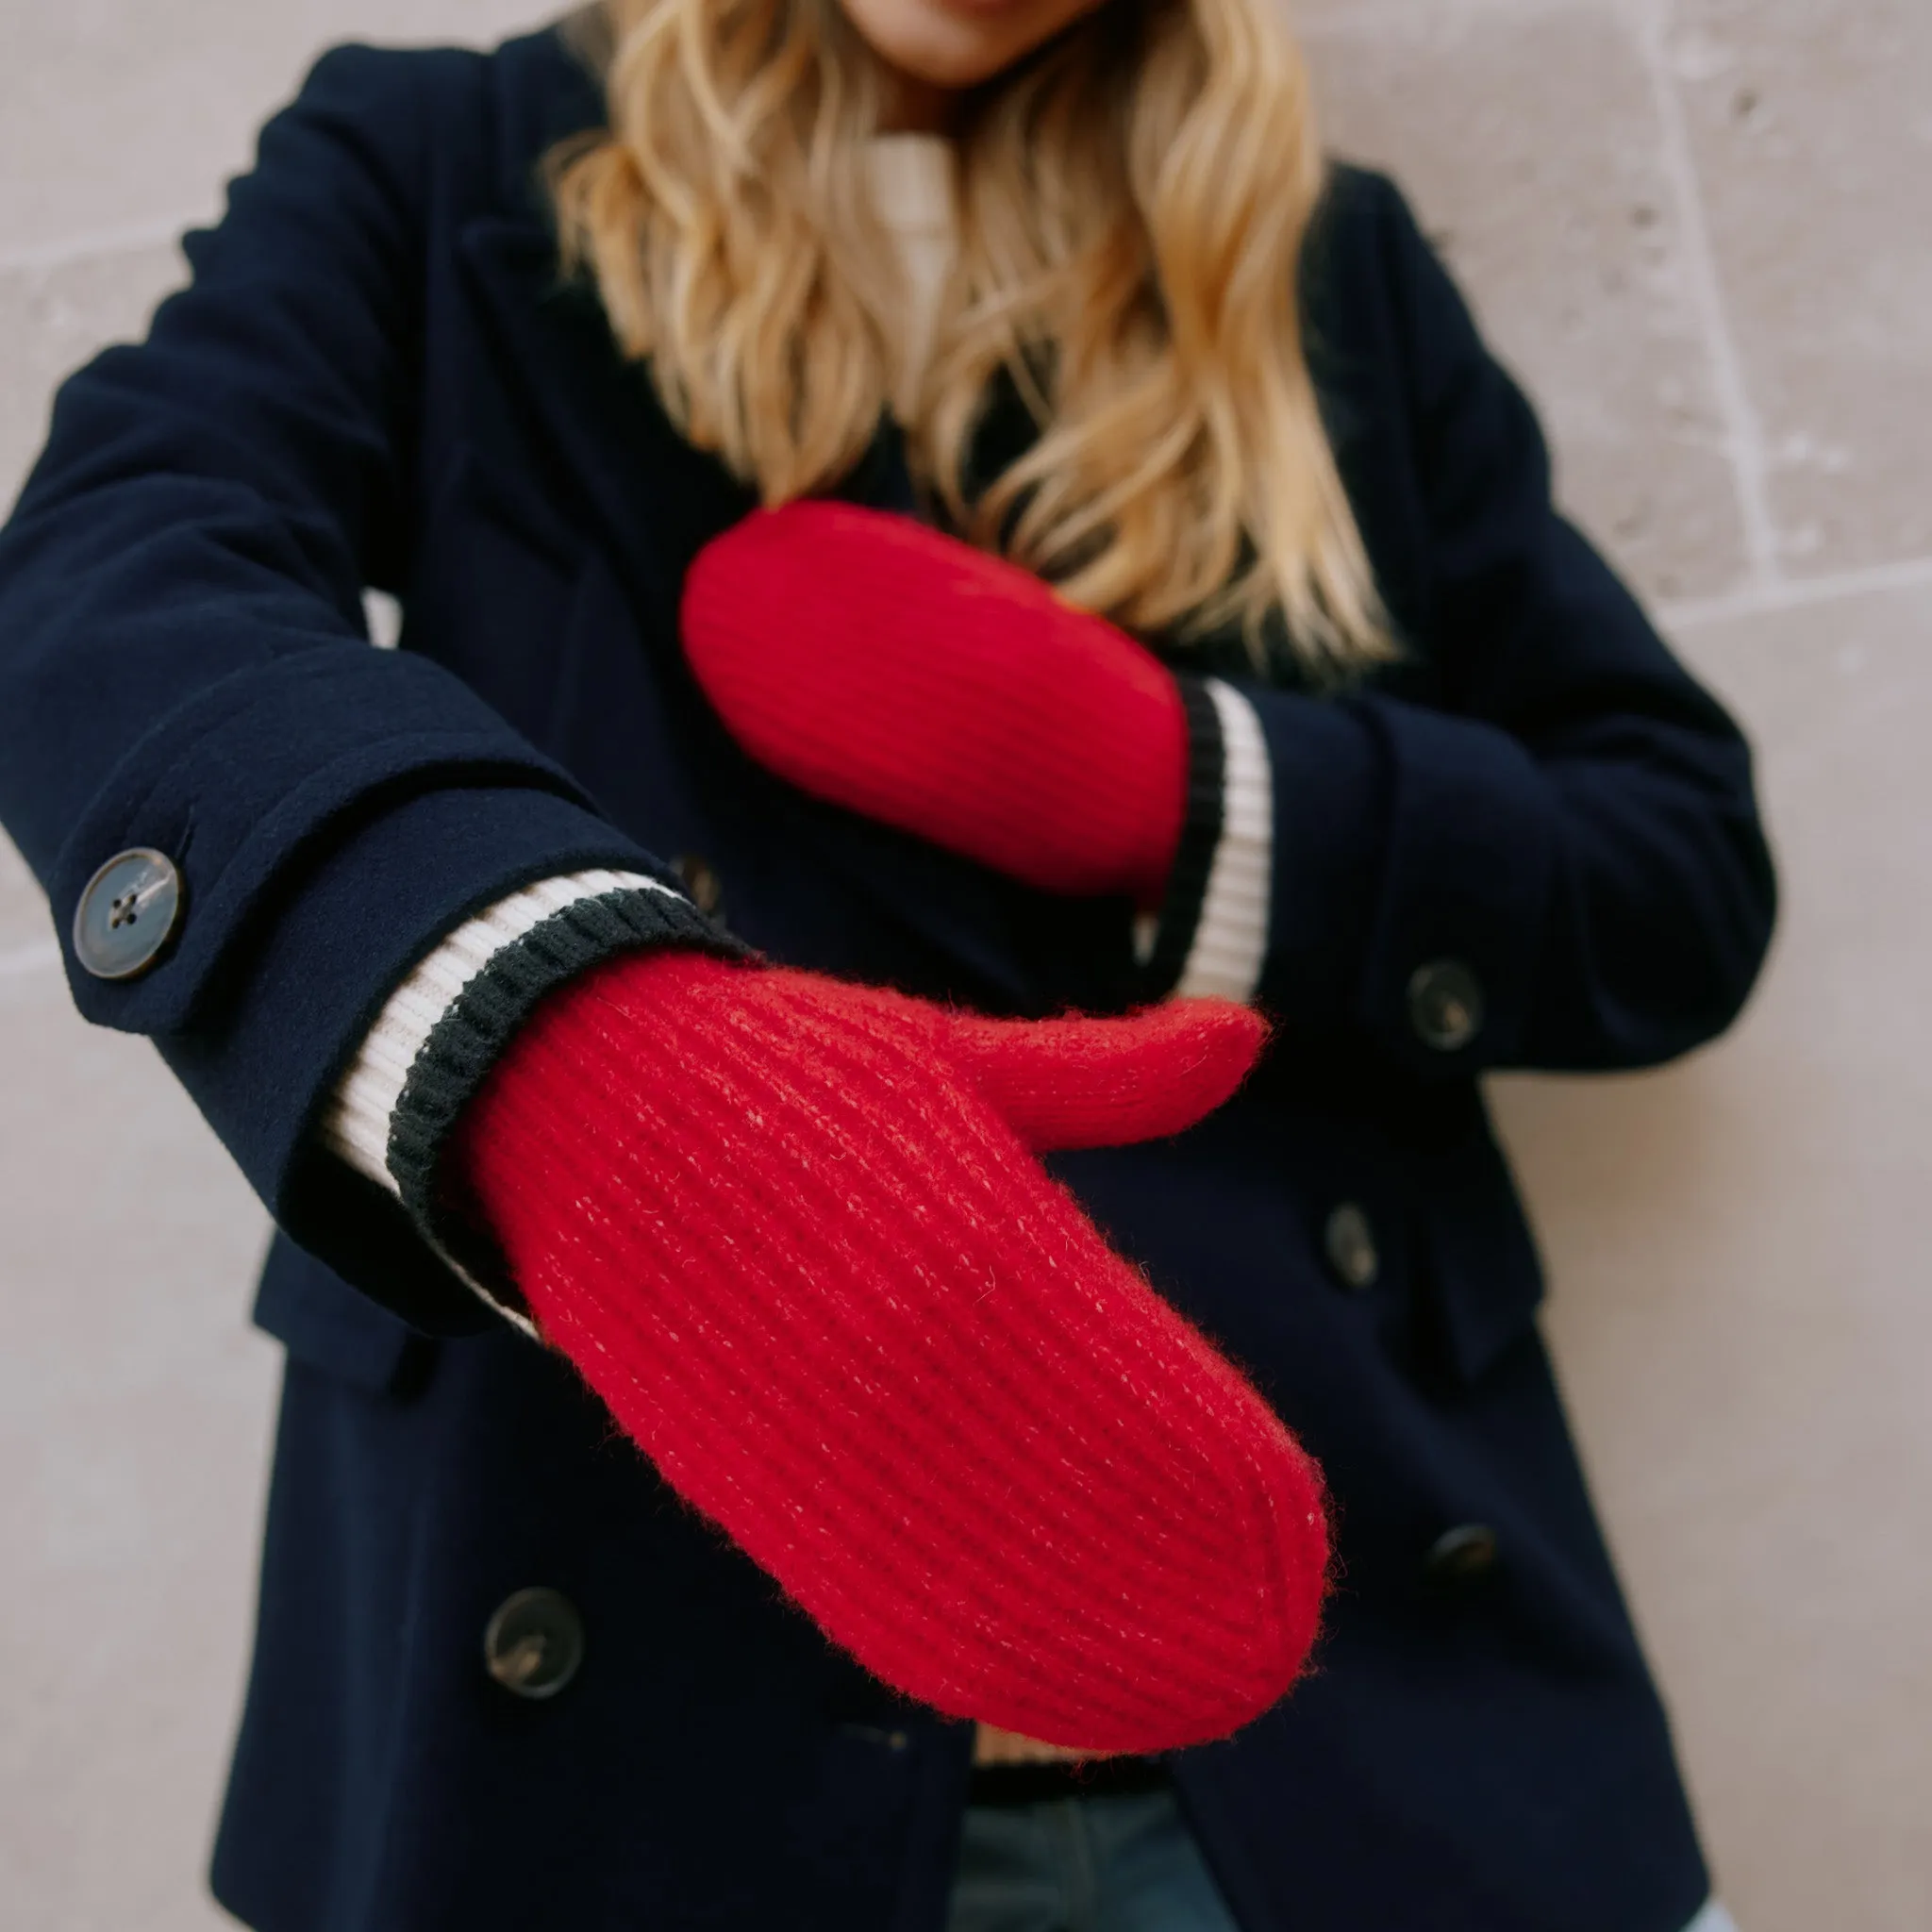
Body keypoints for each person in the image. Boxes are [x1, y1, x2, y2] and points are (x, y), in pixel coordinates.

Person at [0, 0, 1776, 1924]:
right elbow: (117, 570)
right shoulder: (436, 160)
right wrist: (532, 1030)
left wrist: (1190, 790)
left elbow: (1674, 859)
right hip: (619, 1687)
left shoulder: (1323, 257)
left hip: (1355, 1691)